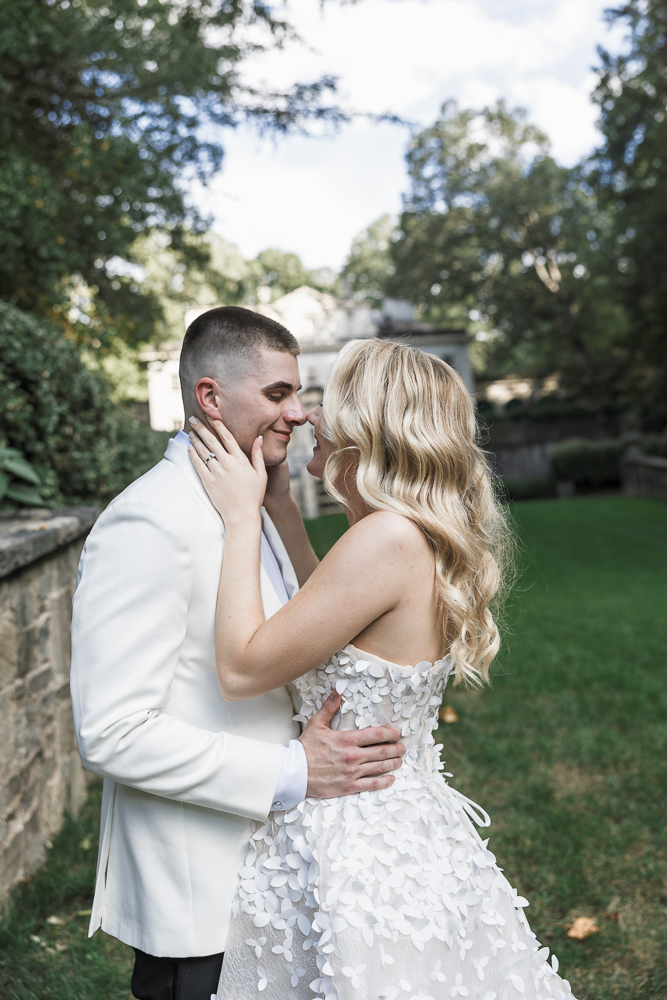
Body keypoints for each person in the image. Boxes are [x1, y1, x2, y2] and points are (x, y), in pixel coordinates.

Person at [187, 337, 577, 1000]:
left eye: (326, 402)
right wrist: (281, 507)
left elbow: (245, 666)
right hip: (394, 819)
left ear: (367, 427)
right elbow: (332, 623)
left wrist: (238, 518)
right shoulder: (400, 533)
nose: (309, 416)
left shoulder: (385, 538)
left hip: (362, 843)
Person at [70, 308, 406, 1000]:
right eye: (278, 395)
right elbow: (111, 732)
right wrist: (292, 767)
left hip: (280, 878)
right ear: (210, 398)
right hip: (199, 905)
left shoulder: (248, 503)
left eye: (300, 396)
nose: (302, 416)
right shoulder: (150, 520)